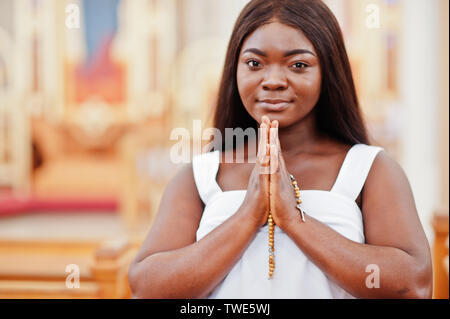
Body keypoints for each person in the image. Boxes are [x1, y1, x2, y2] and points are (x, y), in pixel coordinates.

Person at [128, 0, 432, 298]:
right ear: (235, 70)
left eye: (298, 65)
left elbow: (413, 285)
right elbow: (147, 287)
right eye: (254, 63)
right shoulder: (202, 174)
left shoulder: (368, 169)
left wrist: (293, 219)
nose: (273, 81)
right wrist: (248, 216)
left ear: (328, 72)